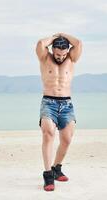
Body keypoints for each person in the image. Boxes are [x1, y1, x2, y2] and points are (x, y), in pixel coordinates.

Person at [35, 33, 82, 191]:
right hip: (48, 102)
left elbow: (79, 43)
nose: (60, 57)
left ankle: (56, 168)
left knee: (67, 140)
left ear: (67, 51)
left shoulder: (71, 59)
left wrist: (64, 35)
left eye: (62, 54)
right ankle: (48, 175)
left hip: (67, 104)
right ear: (52, 50)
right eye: (57, 54)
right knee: (48, 134)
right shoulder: (45, 58)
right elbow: (41, 43)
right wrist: (55, 36)